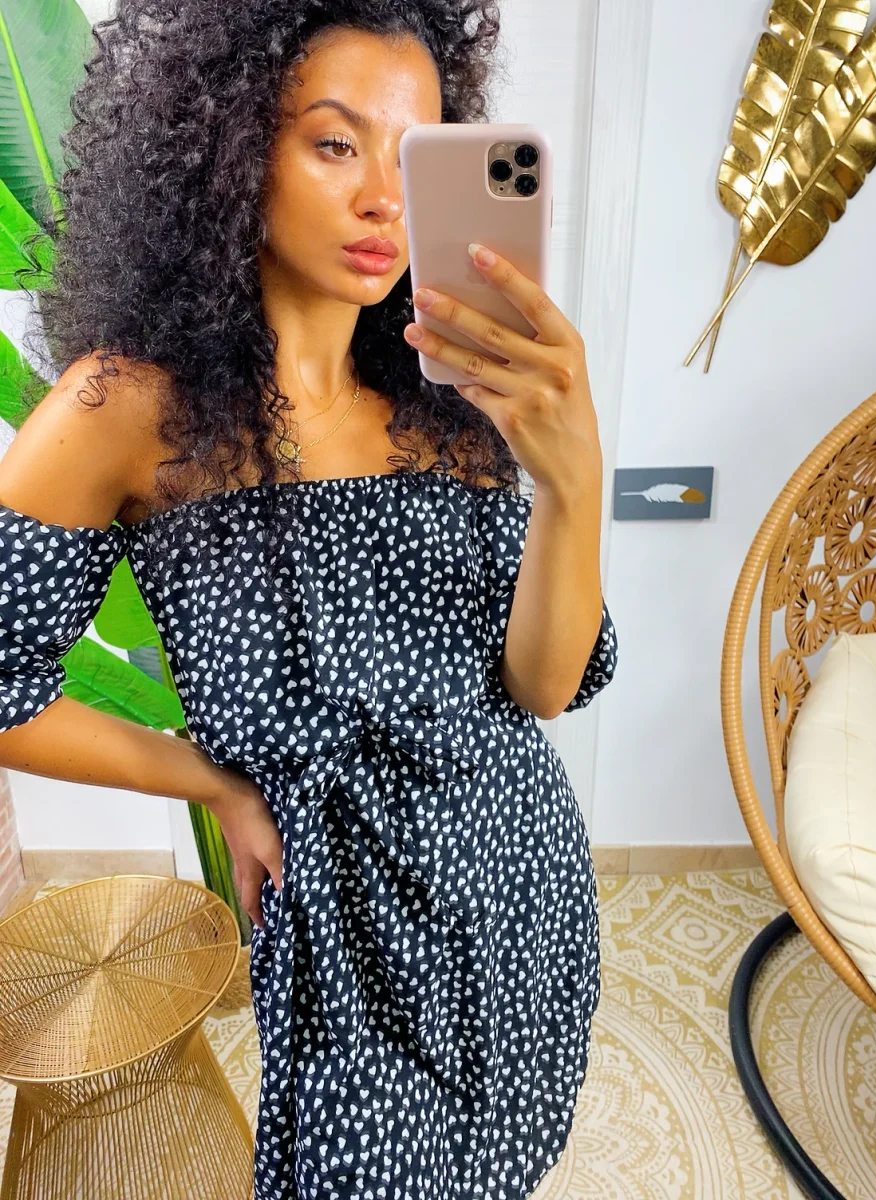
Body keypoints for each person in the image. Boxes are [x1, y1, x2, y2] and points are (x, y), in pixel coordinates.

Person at [0, 3, 618, 1197]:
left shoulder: (453, 404)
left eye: (416, 155)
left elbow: (541, 687)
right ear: (229, 144)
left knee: (504, 1159)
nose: (387, 200)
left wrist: (573, 481)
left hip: (521, 879)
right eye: (336, 144)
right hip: (347, 941)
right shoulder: (125, 413)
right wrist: (212, 781)